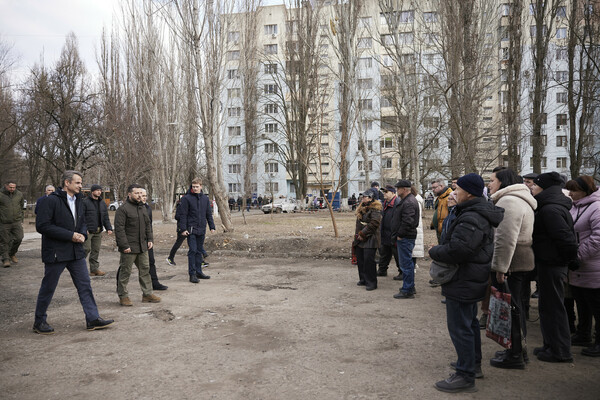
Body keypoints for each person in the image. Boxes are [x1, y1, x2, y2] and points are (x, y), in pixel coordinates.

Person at [430, 173, 504, 393]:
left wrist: (435, 251)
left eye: (458, 189)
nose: (454, 193)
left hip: (464, 278)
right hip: (469, 277)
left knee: (461, 327)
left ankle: (465, 375)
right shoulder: (473, 212)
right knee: (468, 324)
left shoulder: (472, 216)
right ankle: (472, 365)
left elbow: (459, 250)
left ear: (469, 192)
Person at [33, 170, 114, 334]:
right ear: (67, 183)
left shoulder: (79, 200)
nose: (80, 186)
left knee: (85, 285)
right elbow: (42, 226)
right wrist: (70, 235)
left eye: (81, 182)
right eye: (77, 182)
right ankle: (39, 322)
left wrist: (82, 234)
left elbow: (82, 222)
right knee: (48, 287)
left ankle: (92, 319)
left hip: (76, 252)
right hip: (56, 252)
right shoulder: (50, 201)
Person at [487, 168, 537, 369]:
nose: (489, 184)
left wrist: (500, 267)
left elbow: (505, 239)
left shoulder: (509, 201)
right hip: (519, 259)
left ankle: (515, 354)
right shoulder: (520, 198)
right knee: (515, 306)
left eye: (492, 180)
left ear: (502, 182)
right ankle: (517, 349)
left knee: (510, 309)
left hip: (512, 262)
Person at [530, 172, 578, 363]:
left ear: (544, 187)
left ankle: (560, 351)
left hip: (553, 264)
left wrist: (569, 260)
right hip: (548, 262)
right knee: (547, 306)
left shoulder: (550, 210)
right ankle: (550, 344)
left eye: (535, 185)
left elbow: (565, 239)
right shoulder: (548, 206)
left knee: (554, 307)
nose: (532, 188)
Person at [565, 176, 600, 357]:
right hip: (579, 267)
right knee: (582, 302)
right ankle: (583, 334)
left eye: (574, 190)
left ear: (586, 191)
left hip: (593, 265)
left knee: (596, 305)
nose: (570, 194)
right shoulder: (575, 205)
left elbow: (597, 238)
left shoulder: (596, 207)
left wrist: (578, 255)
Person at [114, 184, 161, 306]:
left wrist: (150, 239)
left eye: (141, 193)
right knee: (125, 272)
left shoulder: (143, 208)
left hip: (142, 246)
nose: (140, 196)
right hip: (129, 247)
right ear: (129, 194)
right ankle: (123, 296)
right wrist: (124, 245)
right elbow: (119, 230)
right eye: (137, 193)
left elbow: (147, 225)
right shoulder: (123, 209)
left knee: (145, 270)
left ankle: (147, 294)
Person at [176, 178, 216, 283]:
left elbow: (208, 214)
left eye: (197, 187)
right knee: (193, 251)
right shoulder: (186, 198)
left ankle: (199, 272)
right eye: (193, 187)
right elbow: (183, 215)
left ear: (201, 186)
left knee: (199, 251)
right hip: (191, 229)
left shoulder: (205, 199)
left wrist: (212, 226)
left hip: (202, 228)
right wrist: (183, 229)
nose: (195, 188)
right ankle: (192, 274)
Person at [392, 180, 420, 299]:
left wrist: (400, 234)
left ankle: (407, 289)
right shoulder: (408, 200)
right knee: (407, 264)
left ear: (404, 189)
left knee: (406, 265)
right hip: (406, 236)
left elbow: (408, 221)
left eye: (398, 188)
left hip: (405, 237)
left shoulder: (408, 202)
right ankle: (410, 287)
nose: (396, 191)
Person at [353, 188, 381, 291]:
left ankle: (371, 282)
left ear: (370, 198)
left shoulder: (375, 209)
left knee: (369, 261)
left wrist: (363, 234)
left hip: (371, 239)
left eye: (364, 197)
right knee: (361, 260)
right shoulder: (362, 208)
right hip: (360, 239)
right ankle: (363, 279)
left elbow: (374, 223)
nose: (362, 198)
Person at [82, 184, 113, 276]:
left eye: (100, 190)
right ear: (92, 191)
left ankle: (94, 269)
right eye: (97, 190)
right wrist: (84, 228)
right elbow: (81, 217)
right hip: (88, 231)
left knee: (96, 250)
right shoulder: (85, 202)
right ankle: (79, 268)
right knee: (86, 249)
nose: (99, 192)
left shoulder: (102, 203)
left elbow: (105, 217)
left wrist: (109, 228)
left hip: (98, 231)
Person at [141, 189, 168, 291]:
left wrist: (150, 239)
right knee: (126, 266)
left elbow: (149, 226)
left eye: (145, 195)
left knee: (151, 261)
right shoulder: (128, 208)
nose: (143, 197)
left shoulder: (148, 208)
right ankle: (120, 286)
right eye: (140, 195)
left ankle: (154, 283)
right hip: (133, 242)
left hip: (146, 240)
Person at [376, 185, 400, 278]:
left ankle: (401, 272)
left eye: (386, 192)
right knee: (384, 253)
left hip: (393, 233)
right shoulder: (385, 203)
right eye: (383, 192)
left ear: (393, 193)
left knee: (397, 255)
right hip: (385, 233)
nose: (384, 194)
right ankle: (382, 270)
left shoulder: (397, 203)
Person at [0, 180, 25, 267]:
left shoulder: (19, 194)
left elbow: (21, 206)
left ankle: (12, 253)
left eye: (14, 187)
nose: (12, 189)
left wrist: (21, 218)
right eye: (10, 187)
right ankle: (5, 259)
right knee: (4, 241)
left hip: (16, 221)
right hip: (3, 222)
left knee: (19, 238)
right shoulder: (1, 194)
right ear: (6, 186)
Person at [430, 178, 453, 244]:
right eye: (432, 188)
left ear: (442, 186)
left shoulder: (450, 197)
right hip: (440, 231)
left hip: (446, 232)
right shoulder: (440, 198)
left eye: (434, 187)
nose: (433, 190)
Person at [411, 185, 424, 269]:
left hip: (415, 227)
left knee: (414, 249)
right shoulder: (417, 200)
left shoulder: (415, 201)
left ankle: (413, 265)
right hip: (416, 226)